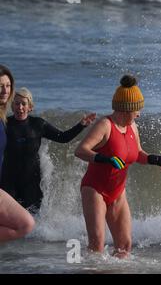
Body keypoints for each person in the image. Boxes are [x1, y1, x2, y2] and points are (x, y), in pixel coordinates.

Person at [75, 74, 161, 258]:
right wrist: (105, 159)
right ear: (127, 109)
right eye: (137, 110)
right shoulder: (105, 125)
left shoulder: (133, 127)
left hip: (118, 192)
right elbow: (81, 150)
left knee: (125, 245)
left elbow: (137, 154)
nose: (139, 114)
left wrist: (152, 159)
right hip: (95, 190)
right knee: (97, 245)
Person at [0, 87, 96, 213]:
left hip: (31, 182)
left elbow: (63, 138)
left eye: (24, 104)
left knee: (32, 221)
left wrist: (81, 125)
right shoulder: (4, 124)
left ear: (30, 107)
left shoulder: (38, 124)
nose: (20, 107)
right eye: (17, 104)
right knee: (8, 218)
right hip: (8, 181)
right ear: (12, 106)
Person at [0, 65, 35, 242]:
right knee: (26, 224)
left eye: (7, 85)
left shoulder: (3, 117)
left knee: (26, 224)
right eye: (0, 86)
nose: (4, 90)